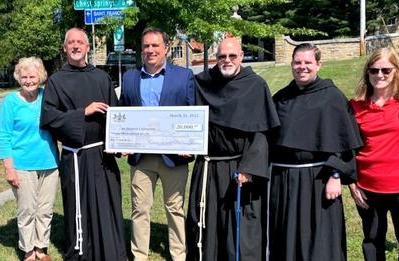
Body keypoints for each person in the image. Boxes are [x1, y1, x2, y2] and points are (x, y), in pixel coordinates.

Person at [185, 37, 280, 261]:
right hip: (207, 167)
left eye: (232, 56)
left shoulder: (255, 86)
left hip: (241, 169)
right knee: (204, 222)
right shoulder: (202, 83)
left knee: (240, 228)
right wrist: (185, 143)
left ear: (241, 56)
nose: (226, 60)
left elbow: (262, 133)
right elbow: (186, 119)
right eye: (221, 57)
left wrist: (249, 168)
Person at [268, 43, 363, 261]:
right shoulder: (281, 97)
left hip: (318, 180)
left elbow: (344, 142)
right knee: (284, 235)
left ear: (318, 65)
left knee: (318, 238)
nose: (302, 67)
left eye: (308, 62)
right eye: (297, 62)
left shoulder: (332, 97)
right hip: (284, 180)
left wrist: (336, 175)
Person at [40, 27, 126, 260]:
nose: (76, 46)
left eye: (80, 42)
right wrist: (82, 113)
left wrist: (121, 141)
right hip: (75, 157)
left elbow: (116, 114)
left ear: (88, 47)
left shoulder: (101, 77)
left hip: (101, 156)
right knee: (78, 205)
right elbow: (49, 117)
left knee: (107, 203)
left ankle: (109, 250)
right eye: (71, 43)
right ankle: (82, 250)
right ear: (65, 48)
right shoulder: (56, 81)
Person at [119, 27, 195, 261]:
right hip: (142, 158)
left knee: (174, 208)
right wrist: (122, 140)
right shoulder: (130, 77)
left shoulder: (184, 76)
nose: (150, 50)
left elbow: (193, 113)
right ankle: (139, 254)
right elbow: (123, 113)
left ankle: (178, 255)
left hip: (174, 156)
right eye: (146, 46)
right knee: (140, 209)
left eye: (155, 46)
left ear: (166, 48)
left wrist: (190, 142)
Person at [349, 47, 399, 261]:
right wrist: (352, 183)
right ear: (367, 73)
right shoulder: (356, 105)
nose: (379, 75)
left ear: (397, 71)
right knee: (372, 240)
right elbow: (347, 146)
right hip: (368, 185)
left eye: (386, 70)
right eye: (374, 70)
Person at [0, 57, 59, 261]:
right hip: (22, 165)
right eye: (24, 77)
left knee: (45, 210)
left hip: (50, 163)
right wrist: (9, 168)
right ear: (18, 78)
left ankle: (41, 248)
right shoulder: (10, 102)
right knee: (27, 211)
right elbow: (4, 136)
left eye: (33, 76)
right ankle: (28, 251)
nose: (29, 80)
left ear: (40, 77)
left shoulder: (47, 96)